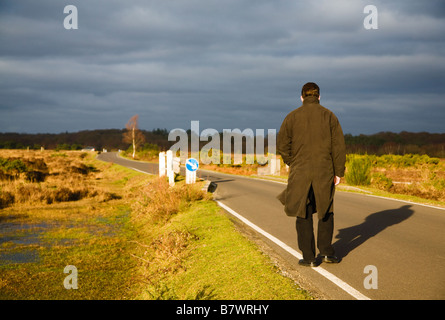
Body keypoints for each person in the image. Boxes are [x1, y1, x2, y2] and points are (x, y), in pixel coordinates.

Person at [277, 82, 346, 267]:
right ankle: (326, 253)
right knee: (326, 210)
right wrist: (339, 171)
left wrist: (292, 161)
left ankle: (308, 257)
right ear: (319, 96)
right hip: (325, 170)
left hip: (300, 171)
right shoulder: (329, 116)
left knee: (303, 211)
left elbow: (282, 145)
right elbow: (338, 146)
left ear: (301, 97)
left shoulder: (291, 117)